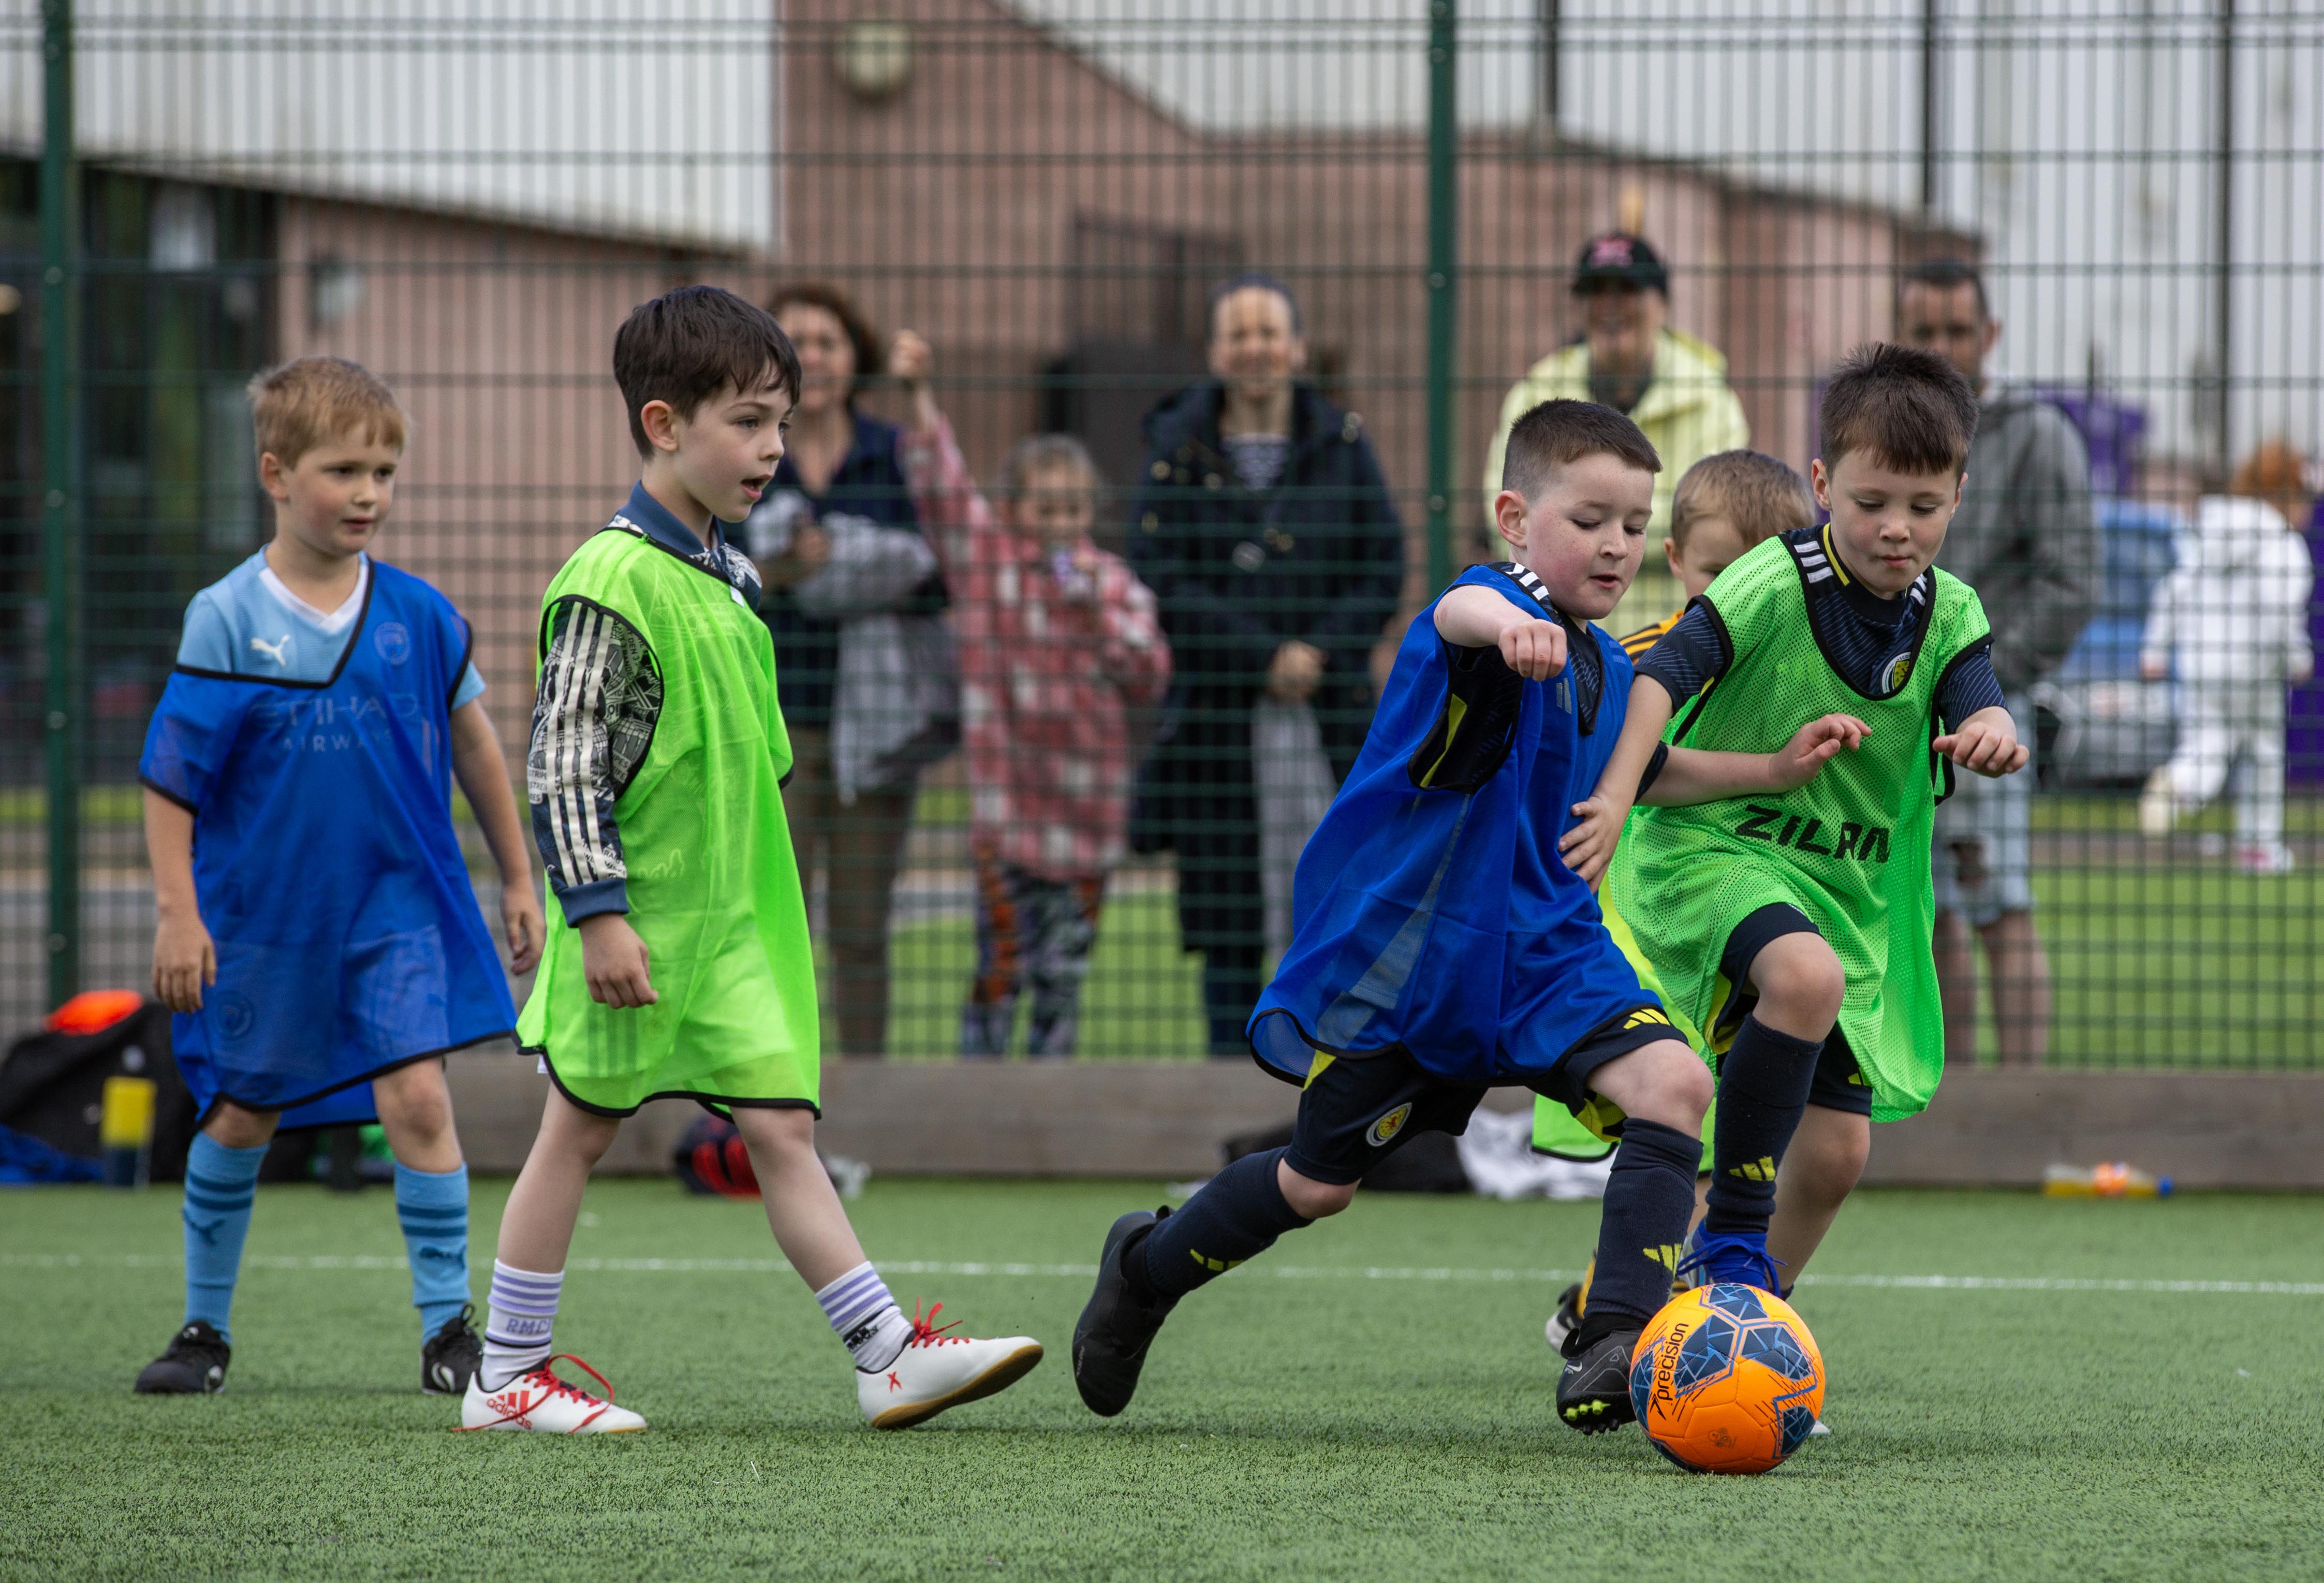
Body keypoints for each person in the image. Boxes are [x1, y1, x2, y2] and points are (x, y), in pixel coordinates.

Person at [1072, 399, 1873, 1434]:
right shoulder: (1494, 615)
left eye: (1634, 525)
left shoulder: (1605, 661)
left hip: (1547, 959)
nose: (1616, 545)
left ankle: (1616, 1338)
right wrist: (1510, 625)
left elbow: (1647, 765)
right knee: (1316, 1185)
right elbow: (1459, 612)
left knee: (1673, 1082)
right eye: (1589, 518)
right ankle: (1144, 1265)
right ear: (1512, 514)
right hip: (1425, 969)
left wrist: (1769, 767)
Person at [468, 287, 1039, 1433]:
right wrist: (599, 915)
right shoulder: (609, 579)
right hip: (638, 926)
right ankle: (504, 1375)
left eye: (782, 420)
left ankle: (884, 1351)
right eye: (748, 421)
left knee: (780, 1126)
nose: (774, 447)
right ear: (665, 424)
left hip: (733, 932)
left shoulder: (731, 577)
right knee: (576, 1130)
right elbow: (564, 767)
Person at [1555, 345, 2025, 1330]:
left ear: (1958, 497)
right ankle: (1728, 1240)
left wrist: (1993, 730)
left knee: (1838, 1154)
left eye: (1925, 506)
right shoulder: (1774, 581)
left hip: (1844, 890)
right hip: (1712, 852)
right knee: (1801, 980)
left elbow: (1977, 695)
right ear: (1822, 486)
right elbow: (1663, 672)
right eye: (1871, 501)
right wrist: (1613, 791)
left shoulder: (1954, 614)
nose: (1897, 527)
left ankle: (1730, 1319)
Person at [133, 356, 543, 1397]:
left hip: (398, 906)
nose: (369, 492)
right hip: (266, 920)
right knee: (241, 1111)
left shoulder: (423, 615)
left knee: (416, 1097)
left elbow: (479, 747)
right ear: (276, 472)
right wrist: (180, 915)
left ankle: (450, 1329)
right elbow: (172, 779)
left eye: (386, 470)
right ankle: (202, 1329)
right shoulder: (225, 615)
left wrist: (518, 878)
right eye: (343, 469)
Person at [1529, 449, 1819, 1346]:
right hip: (1662, 918)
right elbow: (1622, 770)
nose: (1741, 595)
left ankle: (1680, 1309)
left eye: (1765, 572)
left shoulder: (1808, 665)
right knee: (1681, 1109)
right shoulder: (1639, 661)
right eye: (1721, 572)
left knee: (1765, 1127)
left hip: (1766, 901)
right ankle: (1648, 1309)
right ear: (1678, 564)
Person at [1127, 274, 1404, 1056]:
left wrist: (1320, 651)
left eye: (1268, 333)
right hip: (1214, 722)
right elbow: (1157, 569)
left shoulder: (1344, 445)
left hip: (1330, 711)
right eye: (1237, 334)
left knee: (1338, 904)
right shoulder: (1173, 448)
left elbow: (1382, 563)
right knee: (1225, 919)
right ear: (1216, 352)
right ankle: (1226, 1078)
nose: (1254, 348)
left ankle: (1328, 1081)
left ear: (1297, 349)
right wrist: (1261, 656)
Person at [889, 330, 1173, 1057]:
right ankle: (975, 1090)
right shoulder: (987, 570)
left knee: (1064, 975)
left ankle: (1051, 1095)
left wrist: (1094, 613)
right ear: (1013, 510)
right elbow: (944, 494)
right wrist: (918, 395)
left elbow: (1149, 671)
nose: (1058, 526)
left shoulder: (1109, 582)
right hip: (1006, 815)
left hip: (1085, 816)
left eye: (1072, 510)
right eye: (1043, 510)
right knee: (1000, 965)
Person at [1900, 257, 2098, 1067]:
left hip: (1989, 712)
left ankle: (2022, 1102)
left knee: (1997, 906)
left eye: (1956, 331)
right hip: (1897, 710)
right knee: (1930, 913)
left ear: (1990, 335)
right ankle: (1948, 1099)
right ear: (1901, 335)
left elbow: (2071, 581)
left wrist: (1978, 678)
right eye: (1924, 332)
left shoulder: (2036, 433)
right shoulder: (1893, 431)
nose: (1942, 347)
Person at [744, 282, 947, 1058]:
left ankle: (868, 1089)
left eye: (827, 341)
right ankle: (773, 1082)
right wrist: (783, 570)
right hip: (775, 723)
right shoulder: (748, 452)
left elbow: (943, 565)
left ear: (854, 354)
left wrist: (855, 570)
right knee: (774, 921)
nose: (814, 357)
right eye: (795, 342)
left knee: (862, 928)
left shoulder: (894, 454)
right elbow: (718, 575)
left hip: (879, 725)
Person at [1482, 232, 1749, 578]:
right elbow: (1500, 515)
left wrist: (1577, 524)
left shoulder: (1710, 400)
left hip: (1674, 626)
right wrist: (1644, 523)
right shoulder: (1536, 392)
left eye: (1627, 291)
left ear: (1663, 305)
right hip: (1558, 622)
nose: (1609, 305)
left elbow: (1713, 524)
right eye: (1595, 292)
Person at [2138, 440, 2317, 875]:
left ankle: (2180, 785)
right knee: (2265, 755)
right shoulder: (2283, 546)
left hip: (2202, 663)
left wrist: (2155, 649)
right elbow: (2280, 609)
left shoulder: (2208, 533)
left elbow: (2174, 589)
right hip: (2256, 669)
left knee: (2206, 746)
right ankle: (2259, 848)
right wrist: (2297, 658)